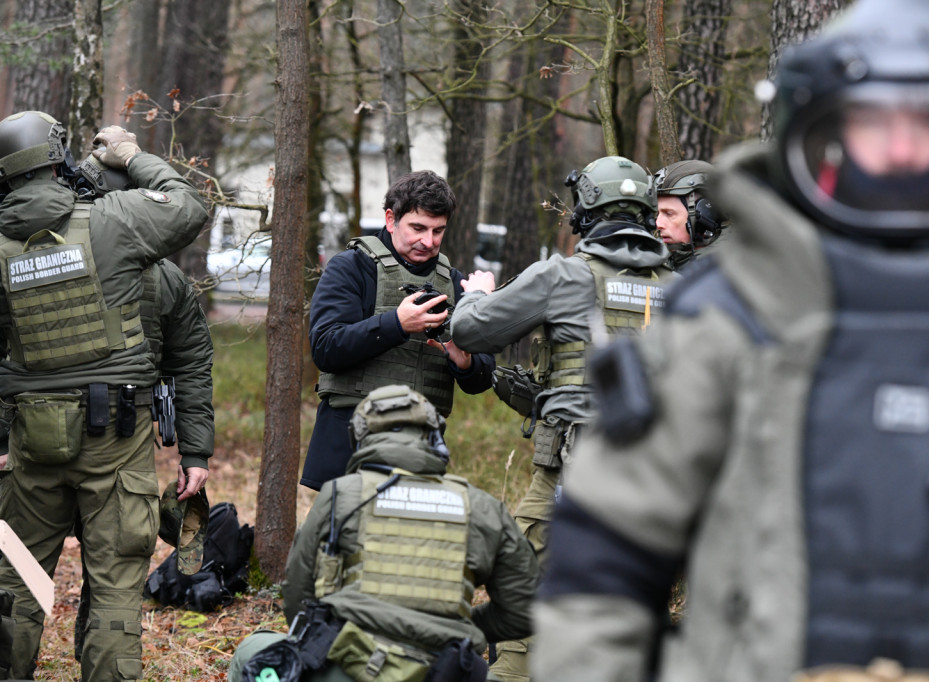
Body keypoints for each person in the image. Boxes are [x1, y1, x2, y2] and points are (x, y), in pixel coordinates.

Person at [532, 0, 929, 680]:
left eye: (926, 124)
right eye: (871, 124)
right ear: (822, 137)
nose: (901, 151)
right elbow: (604, 558)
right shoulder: (729, 317)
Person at [0, 113, 208, 680]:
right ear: (58, 158)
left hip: (30, 438)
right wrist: (131, 154)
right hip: (116, 434)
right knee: (116, 582)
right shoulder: (114, 219)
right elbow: (188, 206)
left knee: (16, 579)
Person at [450, 155, 675, 681]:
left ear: (585, 212)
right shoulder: (683, 287)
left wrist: (476, 295)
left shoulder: (564, 275)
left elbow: (472, 331)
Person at [228, 384, 538, 682]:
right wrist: (455, 625)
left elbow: (298, 599)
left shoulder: (339, 495)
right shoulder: (482, 507)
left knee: (250, 651)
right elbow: (524, 611)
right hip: (443, 670)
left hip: (349, 669)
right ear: (435, 441)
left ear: (360, 442)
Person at [66, 153, 216, 664]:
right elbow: (191, 365)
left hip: (43, 437)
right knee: (115, 569)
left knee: (22, 571)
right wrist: (194, 453)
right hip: (121, 443)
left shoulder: (45, 256)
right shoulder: (168, 277)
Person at [303, 170, 495, 491]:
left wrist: (465, 363)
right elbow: (325, 348)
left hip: (420, 452)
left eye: (438, 231)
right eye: (418, 228)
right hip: (349, 446)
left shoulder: (454, 283)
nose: (428, 241)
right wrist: (397, 324)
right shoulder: (351, 267)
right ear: (391, 219)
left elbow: (483, 377)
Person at [653, 159, 729, 270]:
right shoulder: (657, 263)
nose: (658, 224)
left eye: (669, 214)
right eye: (657, 213)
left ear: (705, 214)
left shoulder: (729, 270)